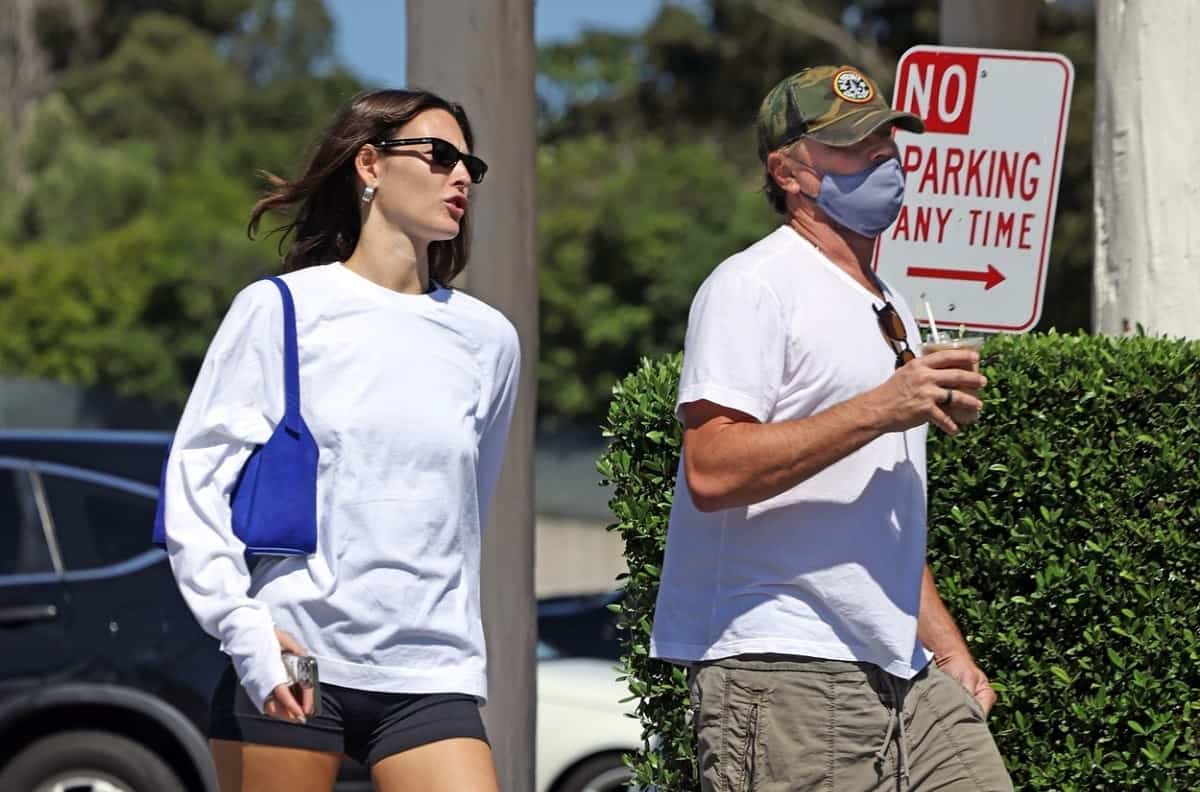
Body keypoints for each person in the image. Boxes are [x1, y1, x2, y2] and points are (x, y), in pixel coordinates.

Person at [649, 65, 1013, 791]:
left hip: (898, 669)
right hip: (781, 663)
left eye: (886, 138)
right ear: (788, 172)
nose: (881, 156)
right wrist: (883, 405)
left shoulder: (893, 305)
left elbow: (879, 514)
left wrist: (945, 651)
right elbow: (713, 470)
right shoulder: (752, 286)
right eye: (851, 145)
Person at [159, 89, 519, 792]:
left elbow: (467, 511)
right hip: (298, 651)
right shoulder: (283, 310)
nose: (461, 177)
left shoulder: (488, 340)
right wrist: (246, 631)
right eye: (440, 155)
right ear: (370, 165)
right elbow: (194, 485)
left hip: (429, 669)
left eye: (470, 165)